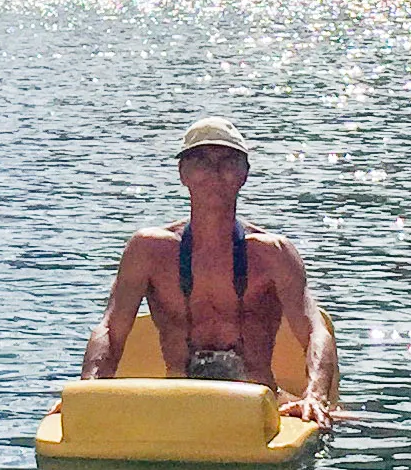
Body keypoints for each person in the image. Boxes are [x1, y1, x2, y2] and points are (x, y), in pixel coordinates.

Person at [81, 117, 340, 428]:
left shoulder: (273, 254)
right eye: (201, 161)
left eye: (228, 161)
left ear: (244, 174)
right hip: (177, 401)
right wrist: (88, 392)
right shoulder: (148, 251)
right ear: (183, 173)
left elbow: (315, 330)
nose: (215, 171)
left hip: (258, 403)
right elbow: (111, 327)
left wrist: (315, 396)